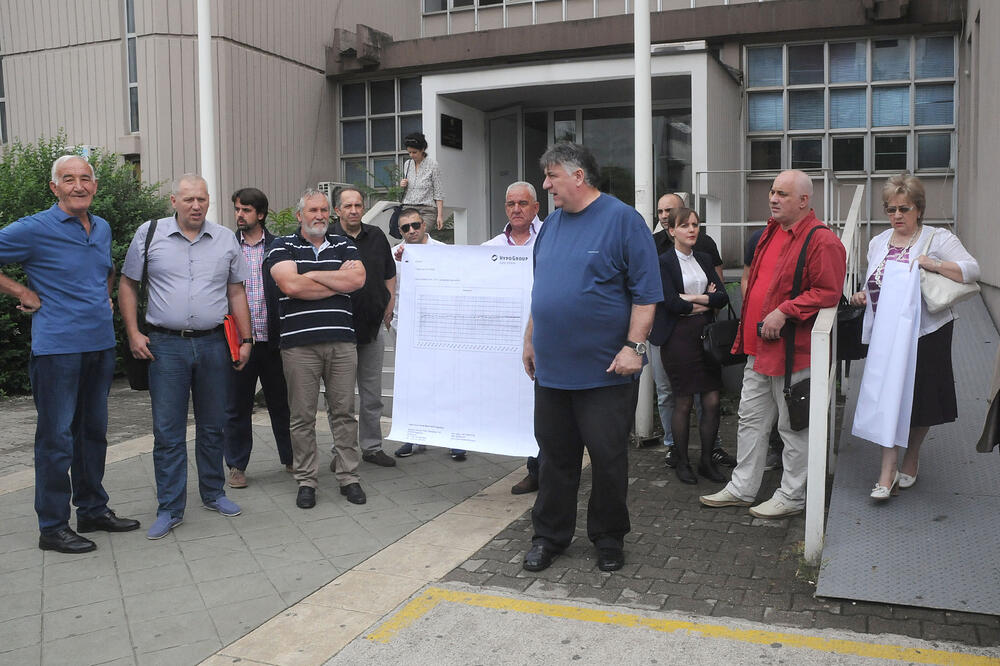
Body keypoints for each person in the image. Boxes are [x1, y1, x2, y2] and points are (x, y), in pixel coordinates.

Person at [521, 142, 662, 573]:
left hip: (605, 371)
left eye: (552, 177)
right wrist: (530, 339)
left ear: (578, 176)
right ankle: (549, 536)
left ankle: (608, 538)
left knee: (607, 459)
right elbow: (541, 289)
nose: (546, 186)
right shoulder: (552, 226)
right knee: (555, 458)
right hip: (553, 370)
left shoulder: (623, 221)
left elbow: (646, 294)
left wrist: (635, 348)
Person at [0, 155, 140, 553]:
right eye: (68, 179)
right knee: (56, 438)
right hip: (57, 350)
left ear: (95, 186)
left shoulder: (102, 227)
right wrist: (23, 292)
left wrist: (105, 296)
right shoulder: (33, 229)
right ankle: (52, 527)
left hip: (99, 347)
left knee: (92, 434)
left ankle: (93, 509)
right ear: (54, 187)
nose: (78, 186)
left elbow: (105, 270)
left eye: (84, 179)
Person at [699, 170, 845, 518]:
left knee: (793, 426)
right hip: (758, 348)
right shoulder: (770, 231)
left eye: (782, 193)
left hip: (794, 352)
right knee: (750, 419)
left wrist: (785, 311)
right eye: (772, 191)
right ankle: (742, 487)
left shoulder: (821, 240)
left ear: (804, 200)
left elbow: (828, 291)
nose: (773, 198)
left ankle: (792, 496)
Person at [120, 174, 253, 540]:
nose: (196, 206)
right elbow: (128, 284)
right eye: (189, 199)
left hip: (213, 344)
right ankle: (170, 507)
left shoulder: (226, 239)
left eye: (203, 199)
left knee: (213, 425)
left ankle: (213, 493)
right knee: (168, 432)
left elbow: (236, 291)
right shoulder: (149, 234)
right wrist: (133, 332)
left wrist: (246, 338)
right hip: (166, 346)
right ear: (174, 200)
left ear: (209, 201)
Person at [849, 174, 979, 500]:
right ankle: (886, 472)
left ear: (918, 209)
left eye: (904, 209)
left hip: (927, 331)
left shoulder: (936, 238)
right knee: (888, 396)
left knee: (924, 400)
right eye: (891, 209)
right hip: (888, 334)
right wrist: (863, 296)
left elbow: (972, 270)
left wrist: (933, 263)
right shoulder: (878, 243)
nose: (896, 216)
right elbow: (875, 285)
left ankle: (912, 455)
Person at [267, 189, 367, 509]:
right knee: (302, 417)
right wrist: (334, 278)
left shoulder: (344, 244)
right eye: (313, 210)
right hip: (298, 347)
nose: (320, 215)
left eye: (324, 210)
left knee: (344, 413)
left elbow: (357, 281)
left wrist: (310, 274)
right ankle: (306, 480)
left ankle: (349, 477)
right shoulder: (282, 245)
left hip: (341, 343)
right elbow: (290, 285)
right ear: (300, 215)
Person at [652, 193, 736, 470]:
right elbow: (671, 303)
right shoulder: (663, 261)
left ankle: (706, 461)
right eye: (686, 225)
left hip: (704, 336)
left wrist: (692, 298)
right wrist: (703, 298)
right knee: (683, 401)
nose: (692, 230)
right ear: (672, 230)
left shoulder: (702, 256)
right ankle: (683, 461)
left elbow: (722, 297)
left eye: (695, 225)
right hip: (678, 338)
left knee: (711, 400)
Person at [223, 188, 293, 488]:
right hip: (240, 342)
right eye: (237, 209)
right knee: (238, 405)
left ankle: (292, 458)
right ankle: (237, 465)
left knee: (283, 403)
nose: (240, 215)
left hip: (275, 340)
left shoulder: (280, 247)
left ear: (260, 214)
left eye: (246, 210)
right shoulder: (226, 247)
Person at [330, 187, 397, 468]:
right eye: (348, 206)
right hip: (339, 331)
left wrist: (389, 304)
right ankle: (341, 452)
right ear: (338, 210)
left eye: (358, 205)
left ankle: (371, 447)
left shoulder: (377, 236)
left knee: (371, 395)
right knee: (341, 399)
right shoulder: (329, 238)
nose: (354, 210)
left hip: (372, 328)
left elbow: (389, 274)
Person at [484, 182, 544, 493]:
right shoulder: (491, 246)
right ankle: (535, 469)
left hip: (546, 337)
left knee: (548, 408)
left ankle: (550, 470)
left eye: (523, 203)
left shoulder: (550, 238)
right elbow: (463, 273)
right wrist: (411, 256)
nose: (516, 209)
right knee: (522, 407)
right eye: (511, 204)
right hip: (507, 343)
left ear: (536, 207)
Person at [389, 209, 462, 460]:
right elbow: (391, 292)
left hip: (440, 329)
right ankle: (412, 436)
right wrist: (391, 321)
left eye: (415, 225)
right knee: (411, 385)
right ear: (400, 232)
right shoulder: (394, 256)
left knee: (446, 381)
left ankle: (453, 437)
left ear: (424, 225)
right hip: (405, 329)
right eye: (405, 228)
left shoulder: (443, 250)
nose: (411, 231)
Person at [399, 132, 445, 231]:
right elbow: (407, 189)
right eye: (409, 152)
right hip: (408, 209)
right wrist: (403, 185)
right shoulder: (407, 164)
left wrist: (440, 216)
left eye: (414, 152)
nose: (411, 155)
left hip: (426, 210)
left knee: (420, 236)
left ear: (422, 150)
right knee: (409, 238)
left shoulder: (433, 165)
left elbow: (438, 192)